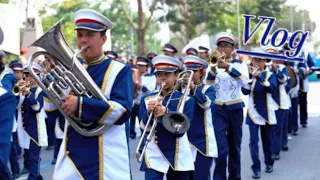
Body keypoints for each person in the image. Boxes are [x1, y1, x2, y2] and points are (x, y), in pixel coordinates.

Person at [52, 9, 133, 180]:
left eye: (89, 35)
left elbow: (122, 110)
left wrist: (80, 105)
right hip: (71, 154)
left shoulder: (119, 69)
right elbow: (51, 108)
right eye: (80, 35)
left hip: (104, 158)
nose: (83, 40)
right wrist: (49, 81)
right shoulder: (72, 69)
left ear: (104, 39)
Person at [139, 55, 194, 180]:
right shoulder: (146, 99)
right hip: (153, 152)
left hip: (178, 152)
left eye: (167, 74)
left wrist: (166, 113)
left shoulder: (187, 100)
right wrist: (149, 114)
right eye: (159, 74)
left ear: (176, 76)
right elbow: (144, 129)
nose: (162, 78)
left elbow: (182, 131)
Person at [205, 32, 249, 180]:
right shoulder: (212, 63)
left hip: (235, 108)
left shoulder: (240, 64)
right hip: (217, 109)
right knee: (221, 149)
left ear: (232, 49)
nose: (223, 49)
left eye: (226, 46)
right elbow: (207, 82)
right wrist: (213, 67)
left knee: (235, 147)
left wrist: (228, 67)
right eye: (220, 46)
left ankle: (235, 177)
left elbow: (245, 82)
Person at [242, 48, 278, 179]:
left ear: (264, 61)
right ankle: (256, 168)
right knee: (253, 142)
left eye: (259, 60)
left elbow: (271, 89)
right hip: (252, 114)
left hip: (266, 113)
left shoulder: (269, 75)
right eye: (255, 60)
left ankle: (269, 162)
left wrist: (260, 76)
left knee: (267, 141)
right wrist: (251, 79)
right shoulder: (249, 74)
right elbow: (245, 91)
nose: (257, 63)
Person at [182, 55, 218, 179]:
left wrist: (193, 88)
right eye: (188, 71)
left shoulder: (208, 89)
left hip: (203, 142)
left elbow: (207, 104)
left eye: (194, 71)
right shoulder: (180, 90)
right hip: (184, 142)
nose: (190, 75)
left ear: (201, 72)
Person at [16, 63, 48, 180]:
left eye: (31, 75)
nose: (27, 78)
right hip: (24, 129)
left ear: (38, 76)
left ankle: (33, 178)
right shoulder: (21, 88)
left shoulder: (40, 90)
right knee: (30, 157)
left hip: (35, 130)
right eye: (26, 75)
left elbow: (37, 108)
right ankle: (38, 177)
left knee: (33, 158)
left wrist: (28, 94)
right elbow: (16, 106)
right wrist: (17, 93)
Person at [265, 46, 291, 161]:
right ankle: (271, 148)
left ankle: (276, 151)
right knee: (270, 129)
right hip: (267, 103)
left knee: (279, 127)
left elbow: (284, 80)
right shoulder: (262, 68)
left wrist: (276, 69)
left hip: (279, 102)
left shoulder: (282, 67)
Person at [130, 56, 156, 139]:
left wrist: (140, 86)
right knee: (132, 120)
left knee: (142, 121)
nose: (139, 67)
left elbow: (150, 90)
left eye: (141, 66)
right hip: (134, 101)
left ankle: (143, 138)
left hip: (143, 102)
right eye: (138, 65)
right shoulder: (133, 75)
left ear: (146, 67)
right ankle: (132, 133)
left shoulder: (151, 77)